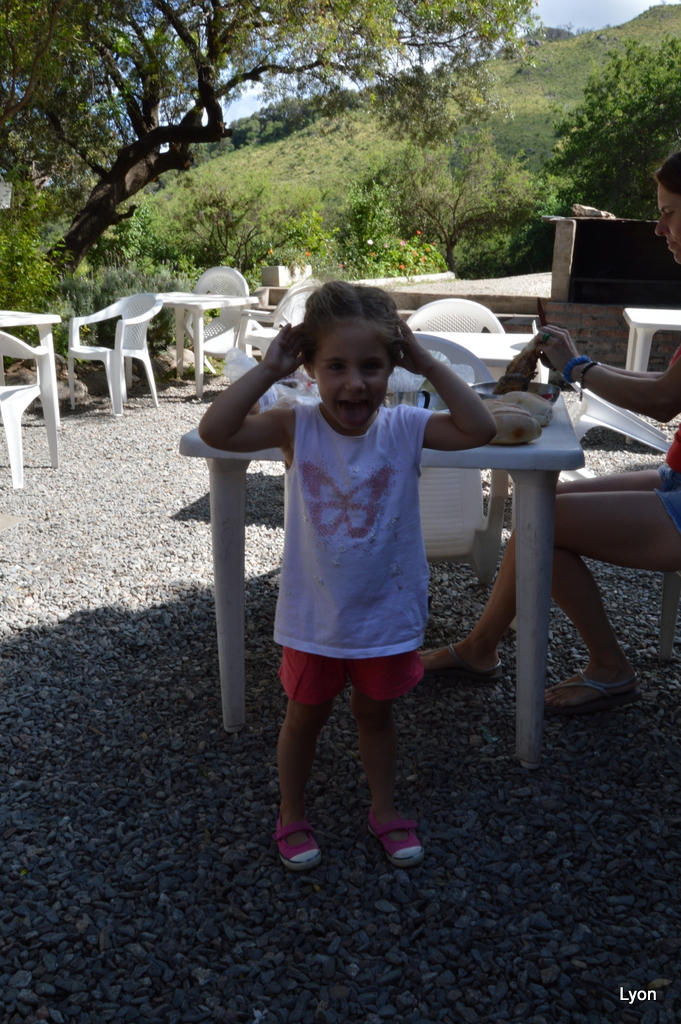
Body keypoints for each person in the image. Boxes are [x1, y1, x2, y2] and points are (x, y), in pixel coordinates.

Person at [198, 281, 496, 869]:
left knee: (376, 714)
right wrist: (268, 369)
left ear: (393, 368)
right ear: (310, 368)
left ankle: (384, 809)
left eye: (371, 366)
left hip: (385, 616)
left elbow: (479, 428)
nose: (354, 383)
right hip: (315, 618)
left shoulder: (406, 426)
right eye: (335, 366)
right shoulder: (295, 426)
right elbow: (216, 432)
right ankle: (291, 813)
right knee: (304, 718)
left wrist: (429, 363)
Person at [422, 149, 681, 715]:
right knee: (542, 505)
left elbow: (665, 401)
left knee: (546, 520)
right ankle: (480, 648)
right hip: (676, 476)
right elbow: (669, 385)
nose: (659, 228)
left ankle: (610, 668)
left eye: (668, 213)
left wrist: (577, 368)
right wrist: (583, 363)